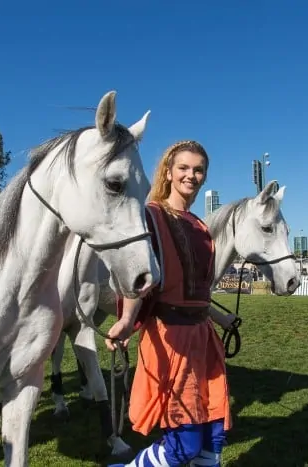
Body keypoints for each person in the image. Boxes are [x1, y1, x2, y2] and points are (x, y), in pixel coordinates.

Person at [105, 140, 236, 467]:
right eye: (184, 168)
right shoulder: (150, 215)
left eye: (198, 169)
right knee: (185, 442)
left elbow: (199, 292)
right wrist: (126, 320)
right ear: (168, 171)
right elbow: (140, 279)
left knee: (213, 436)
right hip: (170, 338)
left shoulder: (201, 227)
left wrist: (223, 320)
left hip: (203, 340)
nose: (191, 175)